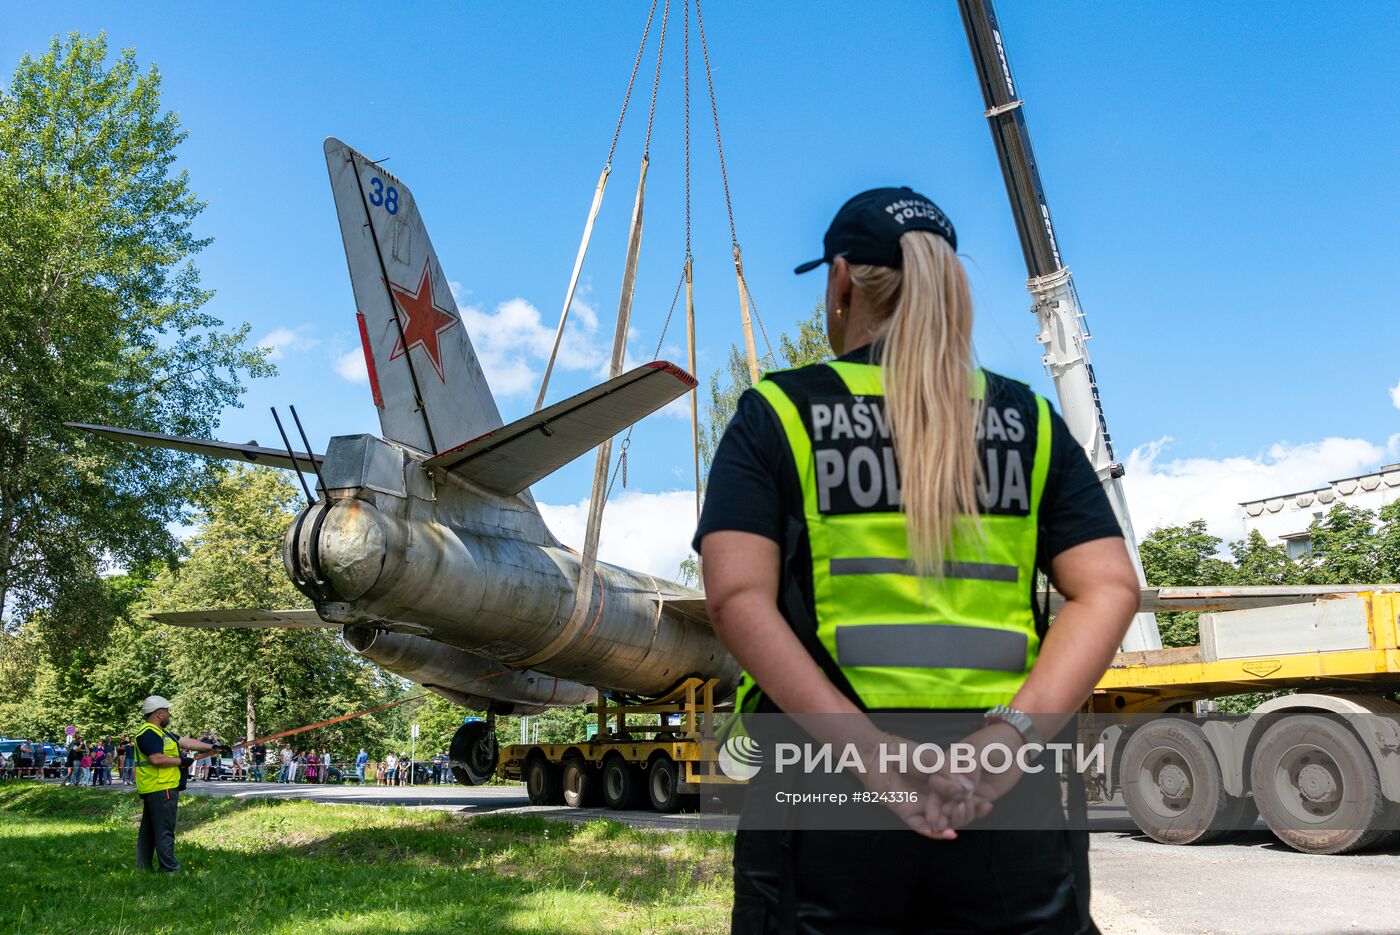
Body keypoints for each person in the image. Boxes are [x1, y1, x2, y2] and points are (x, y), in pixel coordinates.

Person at [696, 188, 1141, 934]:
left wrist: (868, 753)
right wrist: (1005, 746)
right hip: (1006, 796)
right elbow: (1110, 589)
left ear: (841, 281)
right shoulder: (1030, 420)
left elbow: (737, 597)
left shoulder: (779, 411)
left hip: (824, 788)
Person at [133, 695, 224, 872]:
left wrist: (212, 748)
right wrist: (181, 761)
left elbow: (186, 741)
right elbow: (156, 759)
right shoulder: (149, 734)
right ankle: (170, 869)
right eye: (167, 711)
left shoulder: (162, 732)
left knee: (150, 830)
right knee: (164, 831)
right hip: (161, 787)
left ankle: (143, 869)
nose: (169, 714)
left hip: (158, 787)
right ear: (159, 714)